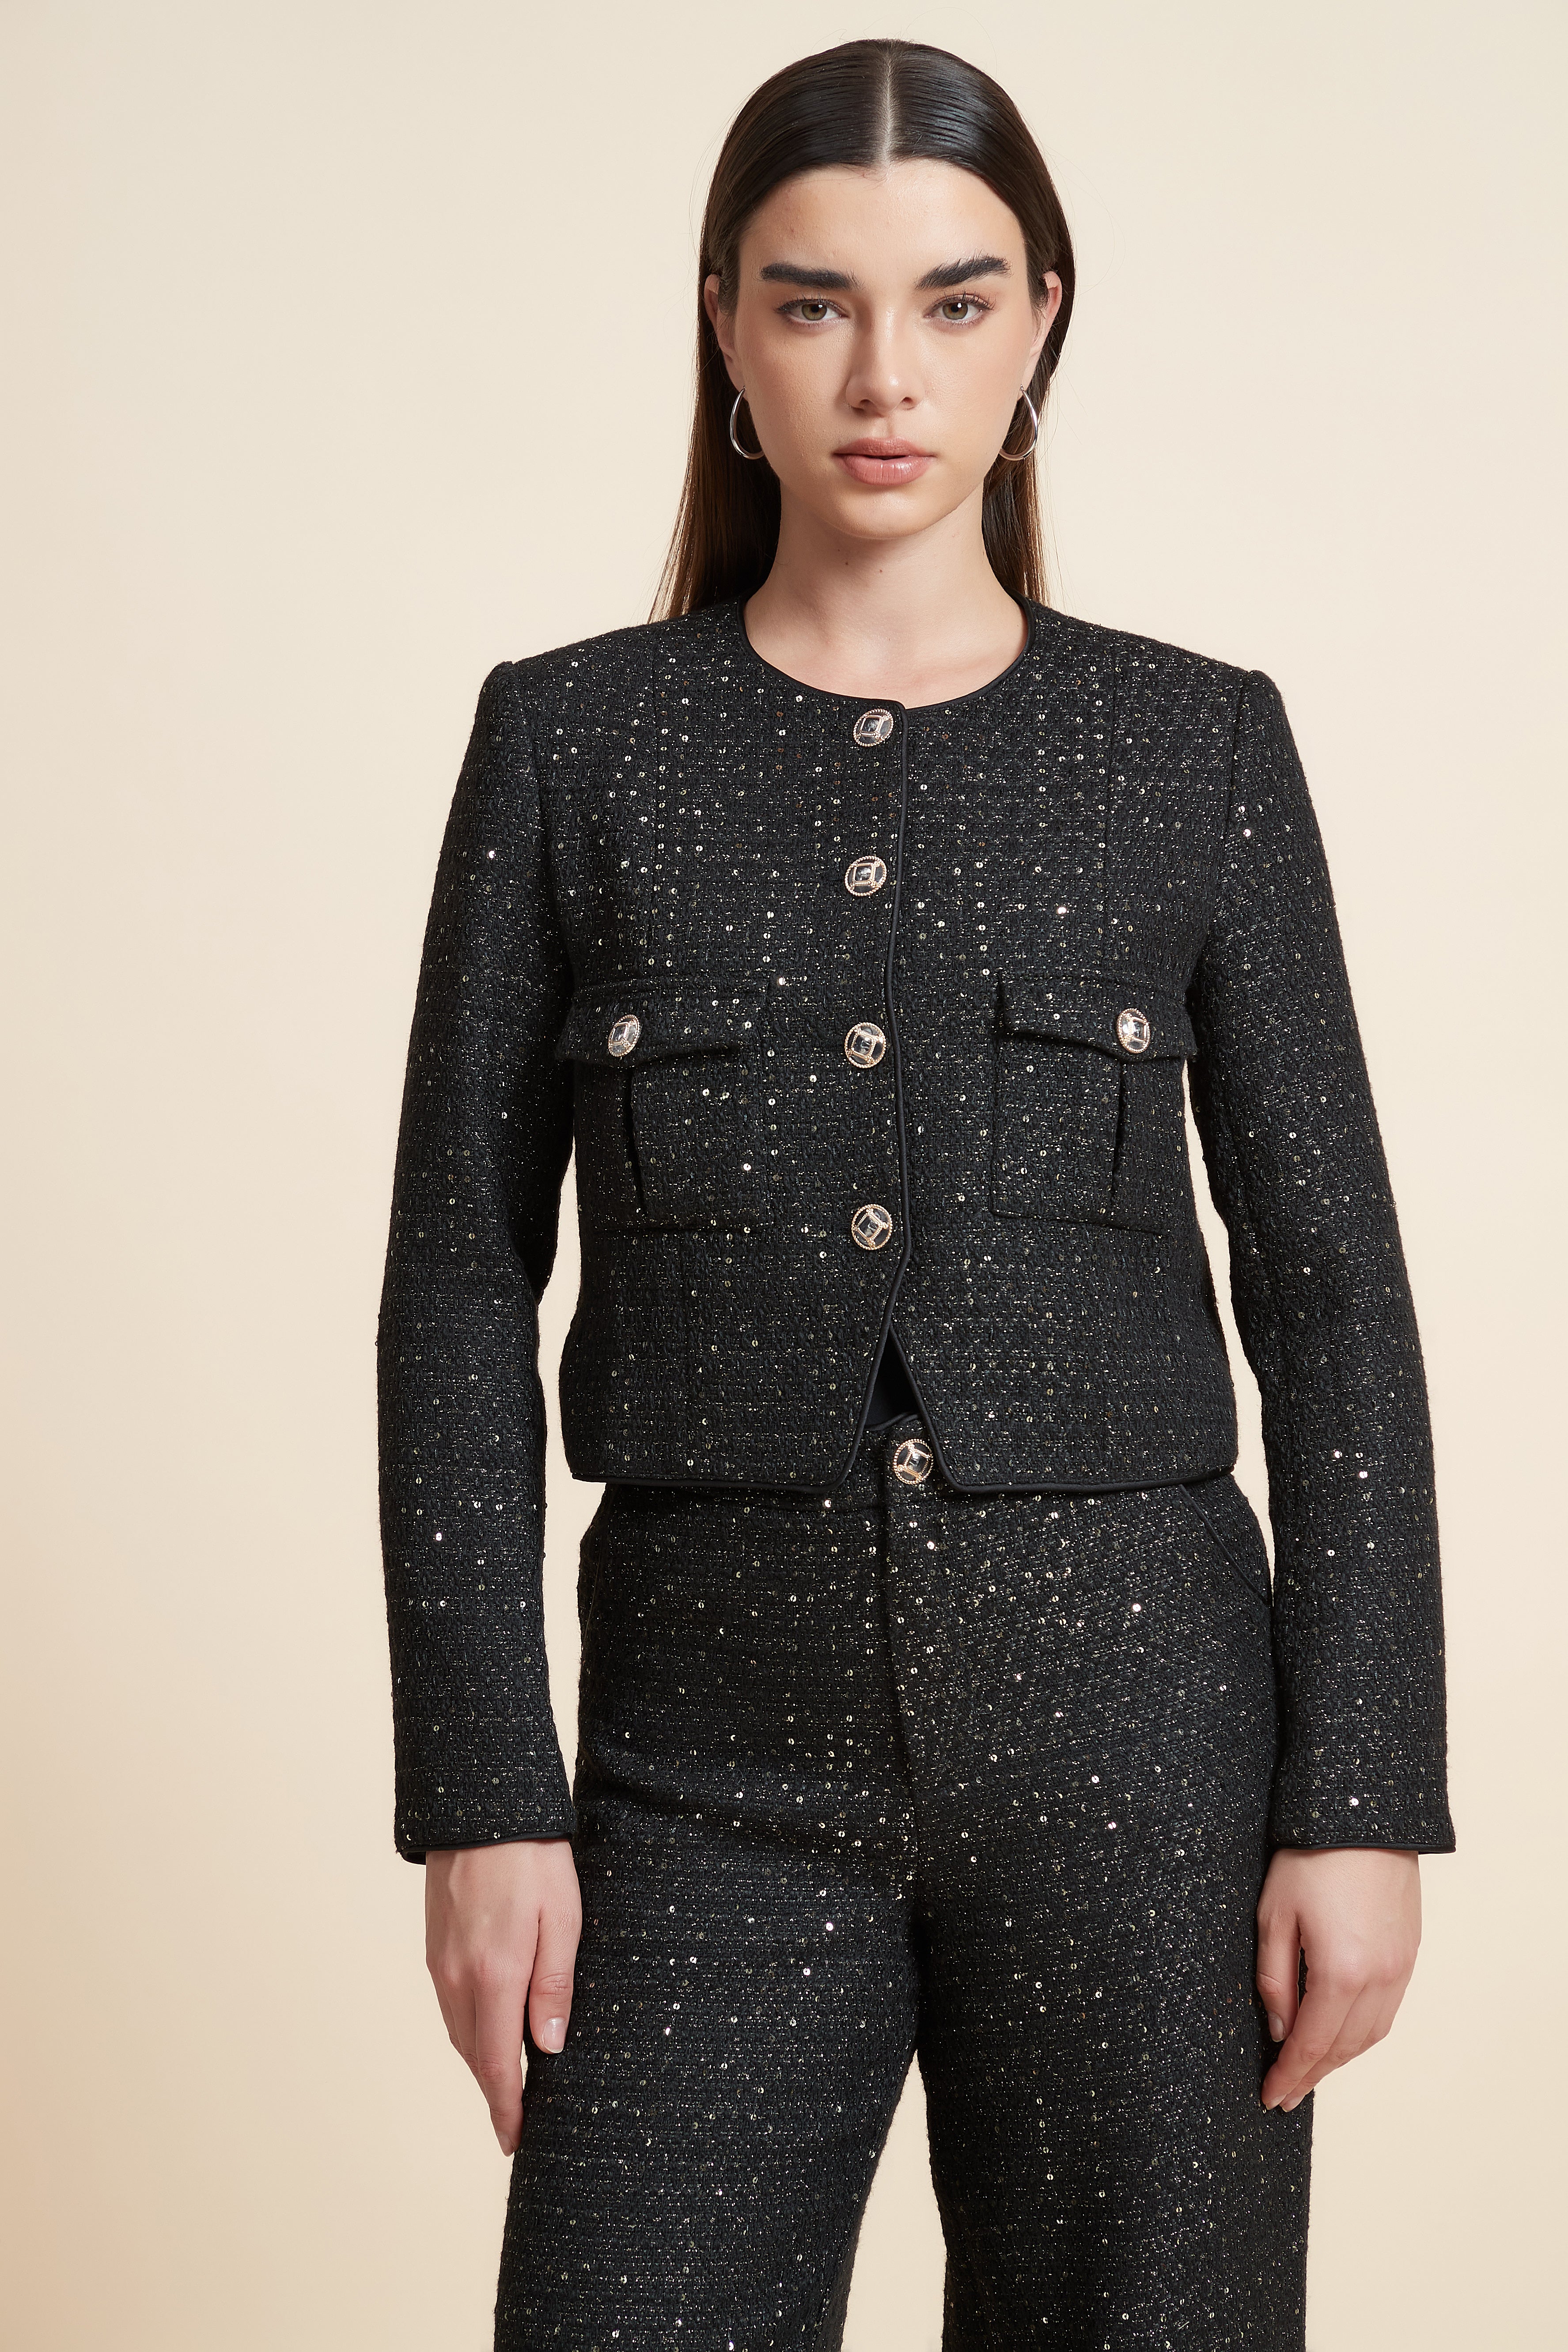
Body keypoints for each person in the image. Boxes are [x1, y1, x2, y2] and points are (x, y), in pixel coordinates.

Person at [375, 37, 1455, 2349]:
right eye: (815, 303)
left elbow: (1333, 1285)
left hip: (1147, 1753)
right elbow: (457, 1280)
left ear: (1043, 318)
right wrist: (481, 1794)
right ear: (725, 324)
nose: (887, 375)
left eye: (956, 302)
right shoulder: (572, 742)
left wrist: (1362, 1794)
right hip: (694, 1759)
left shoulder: (1194, 745)